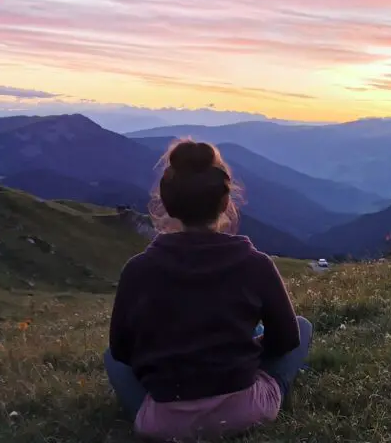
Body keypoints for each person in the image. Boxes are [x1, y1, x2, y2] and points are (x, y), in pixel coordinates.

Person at [103, 139, 313, 441]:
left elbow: (123, 351)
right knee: (303, 327)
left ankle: (159, 418)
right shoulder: (256, 264)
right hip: (246, 412)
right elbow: (287, 339)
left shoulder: (138, 270)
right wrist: (244, 353)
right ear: (226, 201)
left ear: (167, 201)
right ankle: (271, 392)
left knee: (111, 358)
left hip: (165, 424)